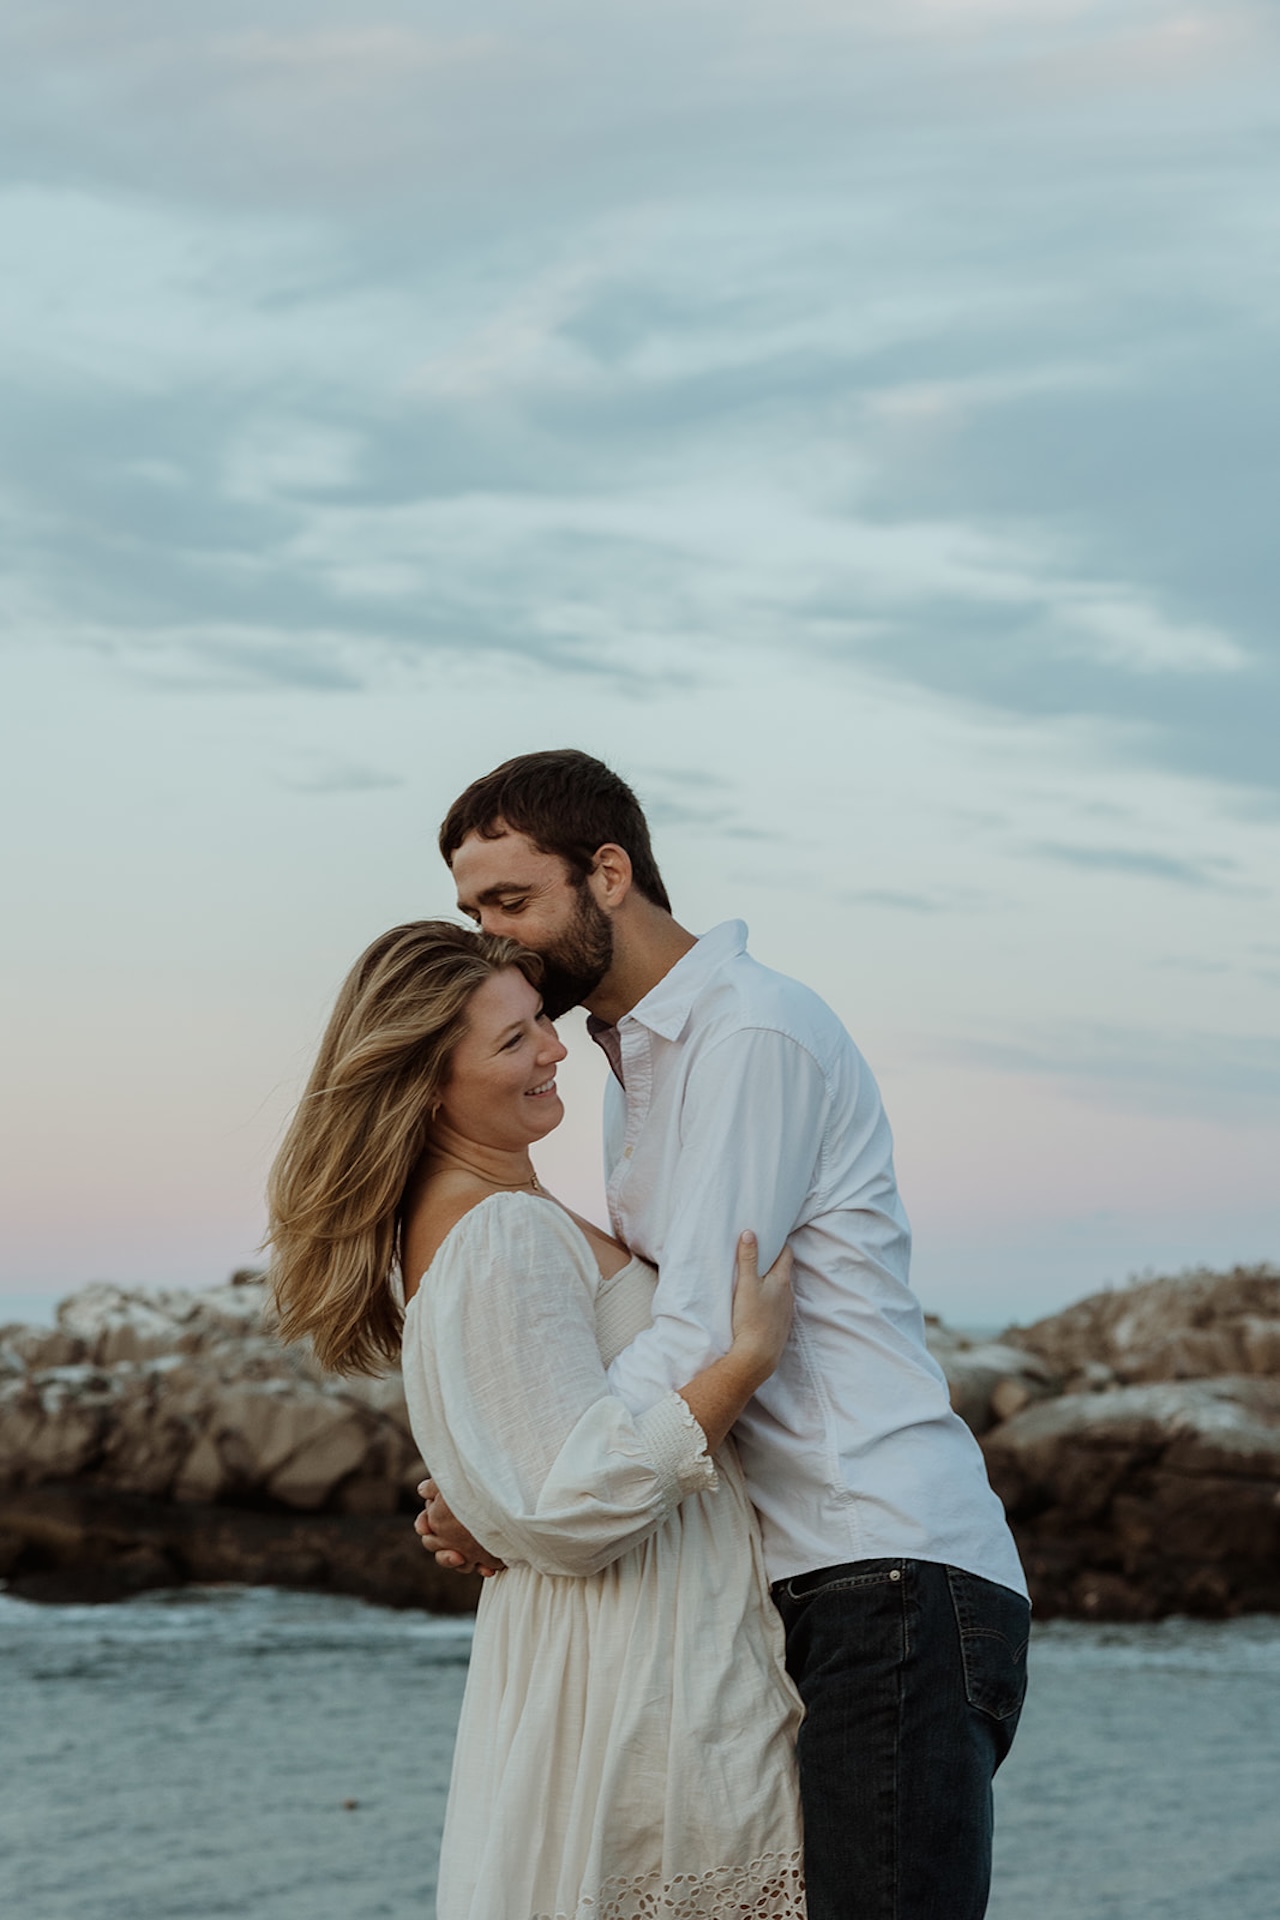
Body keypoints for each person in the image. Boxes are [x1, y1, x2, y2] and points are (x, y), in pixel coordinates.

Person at [418, 749, 1031, 1920]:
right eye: (472, 912)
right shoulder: (631, 1066)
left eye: (511, 901)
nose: (495, 937)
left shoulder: (747, 1034)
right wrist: (509, 1477)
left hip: (881, 1562)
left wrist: (540, 1484)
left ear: (607, 873)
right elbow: (649, 1319)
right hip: (792, 1573)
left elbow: (703, 1323)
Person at [266, 920, 806, 1920]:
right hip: (632, 1677)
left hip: (619, 1661)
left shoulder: (490, 1216)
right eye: (513, 1040)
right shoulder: (499, 1231)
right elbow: (568, 1502)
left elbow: (528, 1473)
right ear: (428, 1084)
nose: (555, 1048)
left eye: (540, 1025)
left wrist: (484, 1508)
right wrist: (742, 1365)